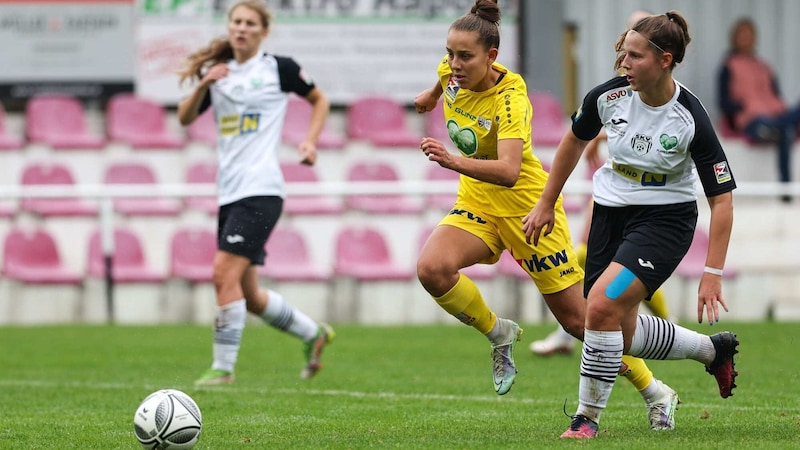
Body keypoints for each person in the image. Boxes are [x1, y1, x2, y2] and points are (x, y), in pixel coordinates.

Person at [415, 0, 679, 431]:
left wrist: (451, 160)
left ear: (491, 57)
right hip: (478, 205)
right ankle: (499, 332)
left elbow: (508, 171)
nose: (454, 64)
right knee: (432, 268)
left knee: (581, 322)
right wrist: (429, 96)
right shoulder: (453, 73)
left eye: (464, 56)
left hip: (527, 211)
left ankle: (656, 391)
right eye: (450, 54)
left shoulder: (511, 99)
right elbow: (442, 80)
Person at [523, 11, 740, 439]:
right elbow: (574, 140)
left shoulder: (690, 116)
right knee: (612, 331)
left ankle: (587, 419)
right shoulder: (608, 96)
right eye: (624, 53)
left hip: (664, 222)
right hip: (610, 214)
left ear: (666, 60)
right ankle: (712, 350)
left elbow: (722, 199)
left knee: (600, 307)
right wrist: (547, 202)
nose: (624, 63)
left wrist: (712, 274)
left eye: (635, 56)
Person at [176, 0, 334, 386]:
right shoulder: (220, 75)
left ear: (263, 31)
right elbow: (183, 118)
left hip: (262, 189)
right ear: (228, 28)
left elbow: (320, 100)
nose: (241, 28)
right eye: (236, 22)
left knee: (221, 273)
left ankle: (223, 369)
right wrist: (204, 82)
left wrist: (310, 142)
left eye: (250, 23)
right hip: (229, 193)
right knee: (248, 294)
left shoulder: (278, 69)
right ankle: (313, 333)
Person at [530, 9, 674, 357]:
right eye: (627, 40)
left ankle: (581, 336)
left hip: (649, 204)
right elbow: (597, 127)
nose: (627, 55)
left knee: (615, 282)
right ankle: (576, 331)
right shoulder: (615, 90)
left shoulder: (672, 99)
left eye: (637, 44)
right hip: (613, 190)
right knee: (602, 283)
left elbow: (654, 127)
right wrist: (596, 136)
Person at [718, 17, 800, 199]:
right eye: (742, 35)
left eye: (750, 35)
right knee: (784, 132)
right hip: (752, 120)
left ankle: (772, 130)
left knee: (784, 125)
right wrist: (744, 106)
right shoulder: (728, 66)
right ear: (735, 38)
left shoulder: (764, 66)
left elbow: (776, 95)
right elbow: (724, 103)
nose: (746, 39)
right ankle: (771, 131)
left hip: (776, 116)